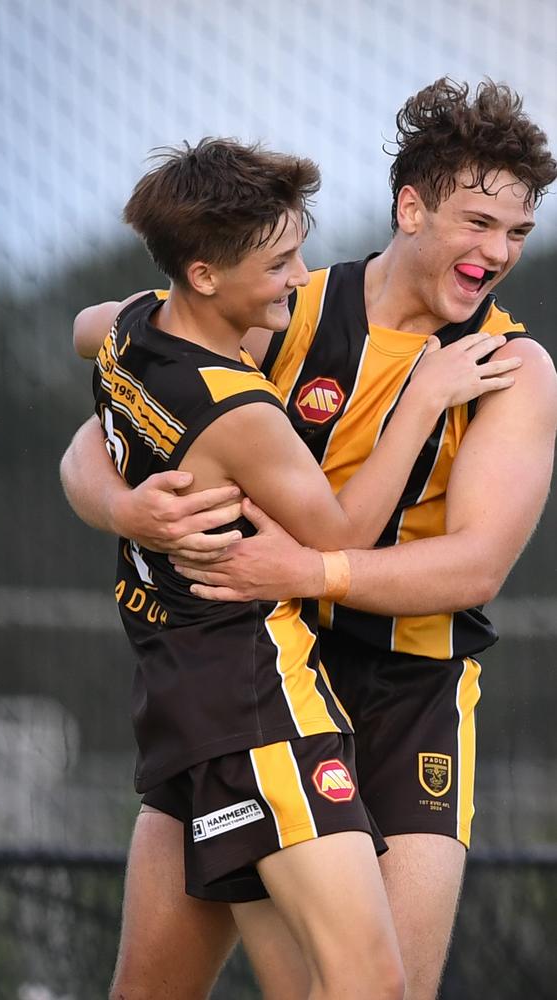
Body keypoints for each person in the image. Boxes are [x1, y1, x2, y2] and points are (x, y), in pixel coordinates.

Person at [61, 80, 557, 1000]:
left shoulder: (511, 367)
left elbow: (476, 564)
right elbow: (118, 401)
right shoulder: (283, 304)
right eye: (478, 222)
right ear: (410, 207)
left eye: (518, 234)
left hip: (411, 698)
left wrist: (307, 567)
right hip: (261, 679)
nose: (496, 253)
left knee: (375, 989)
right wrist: (120, 507)